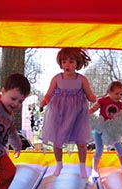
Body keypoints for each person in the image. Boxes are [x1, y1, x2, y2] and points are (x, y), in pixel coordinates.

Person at [40, 48, 96, 178]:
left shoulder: (82, 79)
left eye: (71, 62)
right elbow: (49, 93)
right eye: (64, 61)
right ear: (60, 64)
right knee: (57, 141)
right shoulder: (57, 78)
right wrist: (44, 100)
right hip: (60, 113)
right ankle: (59, 164)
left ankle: (82, 167)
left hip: (77, 114)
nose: (67, 65)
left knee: (81, 143)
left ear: (77, 63)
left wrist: (92, 97)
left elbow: (89, 93)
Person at [89, 81, 122, 177]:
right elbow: (93, 109)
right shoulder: (103, 101)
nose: (119, 96)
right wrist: (87, 113)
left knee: (119, 148)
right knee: (99, 149)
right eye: (116, 93)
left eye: (121, 94)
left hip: (112, 131)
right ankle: (94, 169)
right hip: (101, 128)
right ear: (109, 92)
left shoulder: (120, 105)